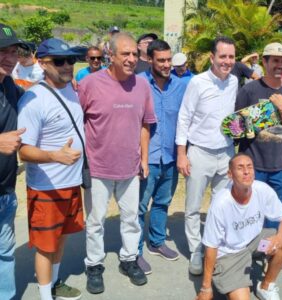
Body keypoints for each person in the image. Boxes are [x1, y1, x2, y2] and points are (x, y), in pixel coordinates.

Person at [79, 32, 157, 294]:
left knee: (131, 218)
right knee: (95, 220)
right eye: (125, 53)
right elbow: (78, 122)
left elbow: (146, 124)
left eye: (135, 53)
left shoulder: (143, 85)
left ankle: (128, 259)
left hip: (130, 167)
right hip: (98, 167)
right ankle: (94, 265)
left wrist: (144, 158)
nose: (132, 58)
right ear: (110, 55)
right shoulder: (90, 84)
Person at [18, 38, 85, 300]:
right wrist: (53, 156)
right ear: (43, 63)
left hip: (71, 183)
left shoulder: (71, 89)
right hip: (46, 188)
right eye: (59, 61)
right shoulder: (34, 100)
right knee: (46, 246)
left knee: (62, 239)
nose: (67, 65)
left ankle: (55, 282)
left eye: (70, 59)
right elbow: (23, 150)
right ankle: (46, 296)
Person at [176, 36, 238, 276]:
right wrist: (182, 154)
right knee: (192, 207)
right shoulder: (198, 83)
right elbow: (184, 117)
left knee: (220, 206)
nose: (227, 61)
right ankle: (195, 252)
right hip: (199, 152)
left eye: (231, 57)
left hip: (225, 153)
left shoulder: (234, 82)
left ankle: (216, 249)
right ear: (212, 57)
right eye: (222, 56)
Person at [196, 153, 282, 300]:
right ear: (230, 174)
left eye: (249, 167)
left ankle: (265, 286)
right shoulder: (220, 203)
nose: (246, 171)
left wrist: (279, 237)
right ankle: (230, 278)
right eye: (240, 168)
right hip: (230, 254)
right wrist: (206, 288)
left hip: (254, 243)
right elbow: (211, 246)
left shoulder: (262, 189)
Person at [235, 42, 282, 229]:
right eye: (275, 60)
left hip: (280, 167)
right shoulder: (249, 90)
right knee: (249, 213)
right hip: (253, 166)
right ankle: (247, 250)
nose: (280, 65)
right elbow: (237, 129)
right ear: (264, 62)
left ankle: (268, 251)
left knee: (274, 215)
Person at [136, 40, 188, 274]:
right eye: (161, 60)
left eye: (169, 59)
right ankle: (134, 252)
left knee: (162, 203)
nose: (167, 64)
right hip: (145, 158)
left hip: (170, 158)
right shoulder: (137, 84)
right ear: (149, 59)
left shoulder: (181, 86)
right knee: (138, 207)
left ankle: (157, 242)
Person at [0, 22, 27, 300]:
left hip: (6, 194)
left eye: (13, 51)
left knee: (5, 254)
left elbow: (33, 97)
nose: (9, 58)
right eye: (1, 51)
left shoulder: (9, 85)